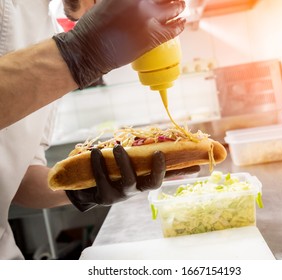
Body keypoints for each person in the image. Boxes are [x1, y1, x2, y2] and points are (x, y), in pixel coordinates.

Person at [0, 0, 199, 260]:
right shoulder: (64, 46)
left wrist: (83, 187)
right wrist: (79, 53)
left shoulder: (48, 31)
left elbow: (19, 179)